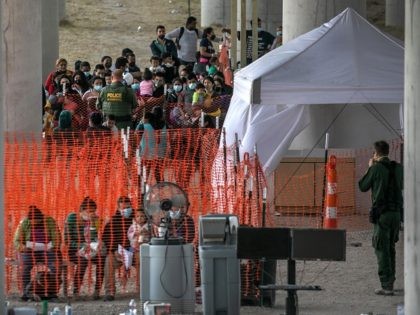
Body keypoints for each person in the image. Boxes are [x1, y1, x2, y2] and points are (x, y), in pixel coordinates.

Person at [358, 140, 403, 296]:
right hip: (396, 214)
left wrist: (370, 168)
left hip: (382, 215)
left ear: (376, 153)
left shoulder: (376, 168)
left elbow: (362, 186)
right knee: (390, 247)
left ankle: (386, 285)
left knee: (381, 248)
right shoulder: (398, 168)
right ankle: (391, 281)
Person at [14, 206, 62, 301]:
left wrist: (53, 246)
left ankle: (51, 293)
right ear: (29, 220)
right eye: (33, 223)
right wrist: (23, 247)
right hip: (29, 251)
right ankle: (27, 293)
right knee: (25, 267)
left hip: (47, 250)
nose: (35, 224)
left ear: (41, 218)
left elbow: (57, 237)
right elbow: (16, 241)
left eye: (38, 222)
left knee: (55, 266)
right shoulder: (23, 223)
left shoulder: (50, 221)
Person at [64, 197, 106, 300]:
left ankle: (97, 291)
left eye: (93, 211)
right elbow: (67, 241)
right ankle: (76, 291)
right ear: (81, 210)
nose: (91, 213)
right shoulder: (71, 218)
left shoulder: (95, 220)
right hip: (75, 250)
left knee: (102, 259)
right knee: (83, 261)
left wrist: (92, 224)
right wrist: (82, 245)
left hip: (91, 249)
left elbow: (94, 238)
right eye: (89, 211)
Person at [101, 196, 134, 301]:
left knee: (144, 261)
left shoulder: (137, 217)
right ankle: (110, 292)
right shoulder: (113, 221)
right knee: (109, 261)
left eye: (128, 207)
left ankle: (145, 290)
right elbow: (106, 237)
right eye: (123, 208)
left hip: (135, 251)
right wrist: (114, 250)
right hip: (119, 253)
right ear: (119, 208)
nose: (126, 210)